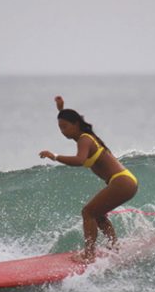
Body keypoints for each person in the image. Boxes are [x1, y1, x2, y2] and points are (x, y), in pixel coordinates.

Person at [39, 96, 138, 263]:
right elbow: (72, 119)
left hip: (122, 181)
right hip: (124, 181)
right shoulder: (86, 137)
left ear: (76, 124)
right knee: (98, 214)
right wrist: (61, 110)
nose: (63, 131)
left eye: (65, 127)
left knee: (88, 212)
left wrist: (54, 156)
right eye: (60, 128)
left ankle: (89, 255)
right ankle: (114, 247)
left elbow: (80, 160)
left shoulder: (85, 139)